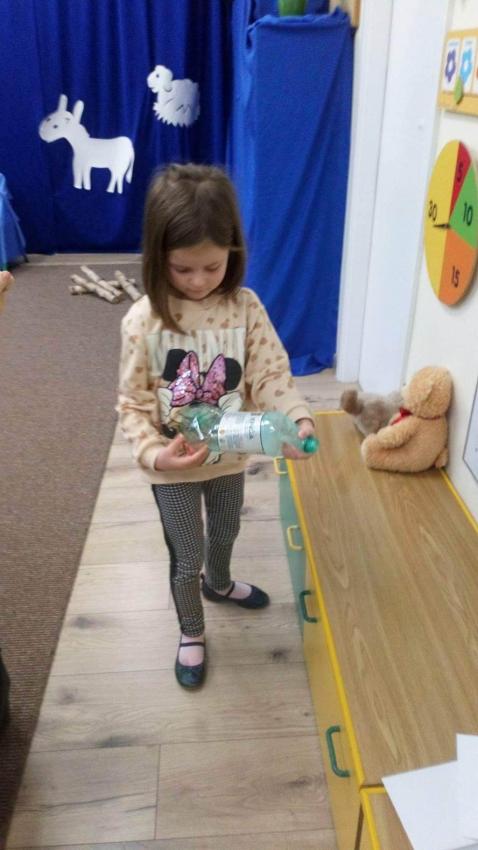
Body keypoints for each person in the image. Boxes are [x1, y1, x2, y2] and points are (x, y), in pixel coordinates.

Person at [117, 163, 316, 689]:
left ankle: (220, 583)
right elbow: (132, 404)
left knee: (226, 532)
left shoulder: (245, 308)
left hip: (230, 458)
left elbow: (270, 374)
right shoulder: (142, 321)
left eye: (212, 266)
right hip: (172, 470)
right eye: (183, 269)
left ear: (233, 251)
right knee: (186, 556)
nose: (199, 281)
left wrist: (296, 416)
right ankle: (191, 629)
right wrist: (156, 455)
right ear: (157, 257)